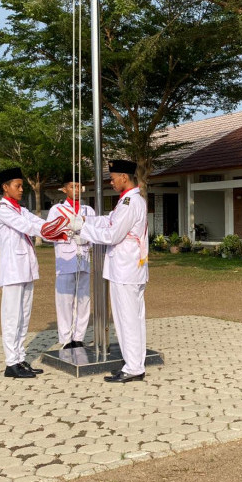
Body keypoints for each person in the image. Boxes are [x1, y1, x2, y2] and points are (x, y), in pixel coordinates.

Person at [69, 159, 149, 383]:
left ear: (124, 177)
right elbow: (109, 221)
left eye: (113, 178)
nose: (111, 182)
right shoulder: (128, 200)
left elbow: (113, 234)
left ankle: (133, 367)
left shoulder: (130, 202)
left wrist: (82, 228)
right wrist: (87, 220)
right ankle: (135, 363)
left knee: (127, 319)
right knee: (132, 318)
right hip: (128, 268)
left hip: (126, 269)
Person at [0, 167, 57, 379]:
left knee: (24, 316)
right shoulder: (2, 210)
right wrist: (53, 232)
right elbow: (27, 227)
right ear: (5, 187)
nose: (21, 189)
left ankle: (20, 359)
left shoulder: (19, 208)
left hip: (26, 270)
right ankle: (11, 363)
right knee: (12, 317)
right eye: (17, 186)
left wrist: (59, 227)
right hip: (12, 271)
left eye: (22, 186)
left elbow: (38, 221)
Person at [47, 172, 95, 349]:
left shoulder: (88, 210)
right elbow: (49, 234)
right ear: (64, 189)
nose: (76, 190)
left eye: (78, 186)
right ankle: (66, 338)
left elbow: (94, 230)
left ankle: (79, 336)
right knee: (65, 300)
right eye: (72, 186)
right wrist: (68, 233)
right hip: (66, 258)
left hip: (83, 257)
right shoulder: (56, 210)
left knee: (83, 299)